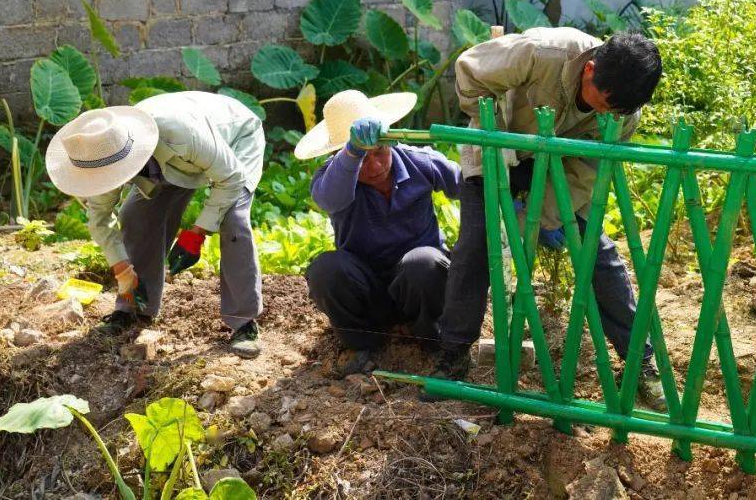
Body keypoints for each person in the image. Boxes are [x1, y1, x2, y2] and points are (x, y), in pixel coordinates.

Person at [435, 27, 668, 410]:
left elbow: (587, 172)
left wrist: (540, 217)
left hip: (557, 172)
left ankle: (640, 365)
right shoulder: (543, 53)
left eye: (618, 111)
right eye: (603, 104)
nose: (608, 115)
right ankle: (453, 354)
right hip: (498, 152)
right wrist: (496, 135)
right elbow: (469, 69)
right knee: (475, 247)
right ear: (589, 70)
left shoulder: (624, 112)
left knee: (597, 252)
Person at [45, 91, 265, 358]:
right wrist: (123, 271)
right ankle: (136, 308)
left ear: (127, 158)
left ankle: (244, 322)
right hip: (169, 162)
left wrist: (196, 235)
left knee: (233, 219)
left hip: (234, 139)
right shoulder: (100, 154)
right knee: (135, 214)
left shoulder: (181, 134)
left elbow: (230, 179)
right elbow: (100, 219)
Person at [296, 90, 462, 376]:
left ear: (391, 141)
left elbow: (469, 185)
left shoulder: (418, 162)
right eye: (363, 159)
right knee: (326, 269)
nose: (373, 167)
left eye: (379, 153)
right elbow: (329, 199)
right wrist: (352, 154)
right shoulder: (333, 175)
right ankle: (362, 342)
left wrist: (519, 205)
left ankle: (428, 335)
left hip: (420, 287)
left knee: (424, 262)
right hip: (367, 291)